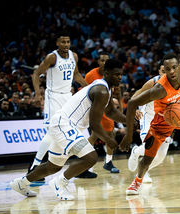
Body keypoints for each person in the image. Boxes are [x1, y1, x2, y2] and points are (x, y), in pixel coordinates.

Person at [10, 58, 126, 201]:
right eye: (116, 74)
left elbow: (111, 112)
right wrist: (108, 139)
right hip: (65, 124)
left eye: (121, 74)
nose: (120, 77)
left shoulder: (105, 88)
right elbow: (94, 123)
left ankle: (21, 183)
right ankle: (59, 182)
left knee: (52, 166)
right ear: (107, 74)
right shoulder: (101, 90)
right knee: (91, 157)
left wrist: (130, 120)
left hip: (65, 124)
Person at [120, 53, 180, 195]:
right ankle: (137, 181)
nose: (171, 71)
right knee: (148, 157)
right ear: (163, 71)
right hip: (162, 121)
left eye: (174, 67)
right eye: (167, 69)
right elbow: (132, 102)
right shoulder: (159, 89)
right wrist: (129, 135)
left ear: (179, 66)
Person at [28, 31, 89, 180]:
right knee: (51, 132)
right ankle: (34, 166)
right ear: (57, 43)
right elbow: (36, 74)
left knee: (75, 129)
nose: (66, 45)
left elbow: (76, 75)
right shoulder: (52, 57)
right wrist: (37, 93)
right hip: (53, 97)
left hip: (68, 97)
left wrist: (89, 87)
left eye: (68, 42)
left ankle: (81, 166)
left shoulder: (74, 56)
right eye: (63, 42)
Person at [128, 61, 172, 183]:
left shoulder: (175, 83)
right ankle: (136, 151)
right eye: (163, 71)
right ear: (159, 72)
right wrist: (135, 108)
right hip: (149, 116)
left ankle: (144, 171)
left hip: (164, 119)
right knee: (150, 147)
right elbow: (136, 95)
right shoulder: (152, 82)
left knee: (161, 156)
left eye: (167, 71)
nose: (165, 74)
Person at [84, 52, 122, 174]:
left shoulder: (113, 75)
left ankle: (108, 161)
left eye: (107, 60)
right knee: (95, 135)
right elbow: (85, 93)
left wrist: (120, 109)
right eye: (102, 60)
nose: (104, 62)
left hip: (107, 107)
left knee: (110, 133)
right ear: (98, 62)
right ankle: (84, 161)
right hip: (95, 108)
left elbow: (118, 93)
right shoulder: (90, 75)